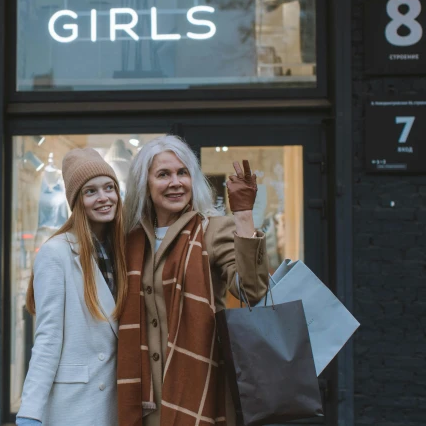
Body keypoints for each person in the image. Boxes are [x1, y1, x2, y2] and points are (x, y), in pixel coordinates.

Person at [117, 135, 269, 426]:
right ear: (145, 184)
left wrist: (244, 216)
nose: (176, 182)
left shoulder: (212, 230)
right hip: (145, 400)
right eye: (163, 174)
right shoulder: (131, 241)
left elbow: (252, 291)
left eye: (182, 172)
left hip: (201, 390)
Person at [17, 148, 128, 426]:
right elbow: (47, 338)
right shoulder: (56, 252)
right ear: (77, 201)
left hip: (117, 401)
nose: (103, 198)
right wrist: (30, 412)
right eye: (90, 191)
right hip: (76, 404)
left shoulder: (124, 251)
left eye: (109, 188)